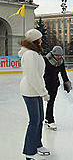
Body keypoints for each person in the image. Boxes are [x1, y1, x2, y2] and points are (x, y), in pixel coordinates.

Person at [18, 29, 50, 160]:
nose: (42, 40)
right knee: (34, 121)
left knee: (40, 119)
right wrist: (43, 92)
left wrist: (41, 91)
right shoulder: (30, 54)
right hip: (30, 91)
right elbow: (32, 76)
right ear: (36, 40)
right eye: (40, 39)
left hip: (35, 90)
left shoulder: (34, 53)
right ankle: (29, 153)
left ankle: (37, 144)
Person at [43, 46, 72, 131]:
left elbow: (63, 72)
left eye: (60, 56)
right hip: (45, 84)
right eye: (57, 55)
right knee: (48, 101)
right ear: (52, 54)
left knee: (51, 102)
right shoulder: (46, 60)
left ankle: (49, 119)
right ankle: (48, 119)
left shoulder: (61, 61)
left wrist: (66, 83)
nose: (58, 57)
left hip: (55, 84)